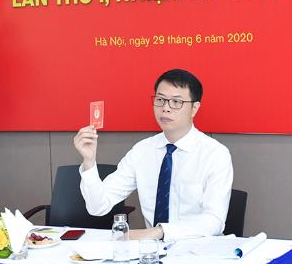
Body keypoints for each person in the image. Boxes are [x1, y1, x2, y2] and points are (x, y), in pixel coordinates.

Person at [72, 69, 233, 241]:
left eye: (176, 102)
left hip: (198, 249)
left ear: (194, 108)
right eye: (160, 100)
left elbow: (214, 221)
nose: (166, 108)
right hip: (151, 250)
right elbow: (98, 207)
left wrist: (160, 232)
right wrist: (89, 162)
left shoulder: (215, 154)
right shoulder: (142, 151)